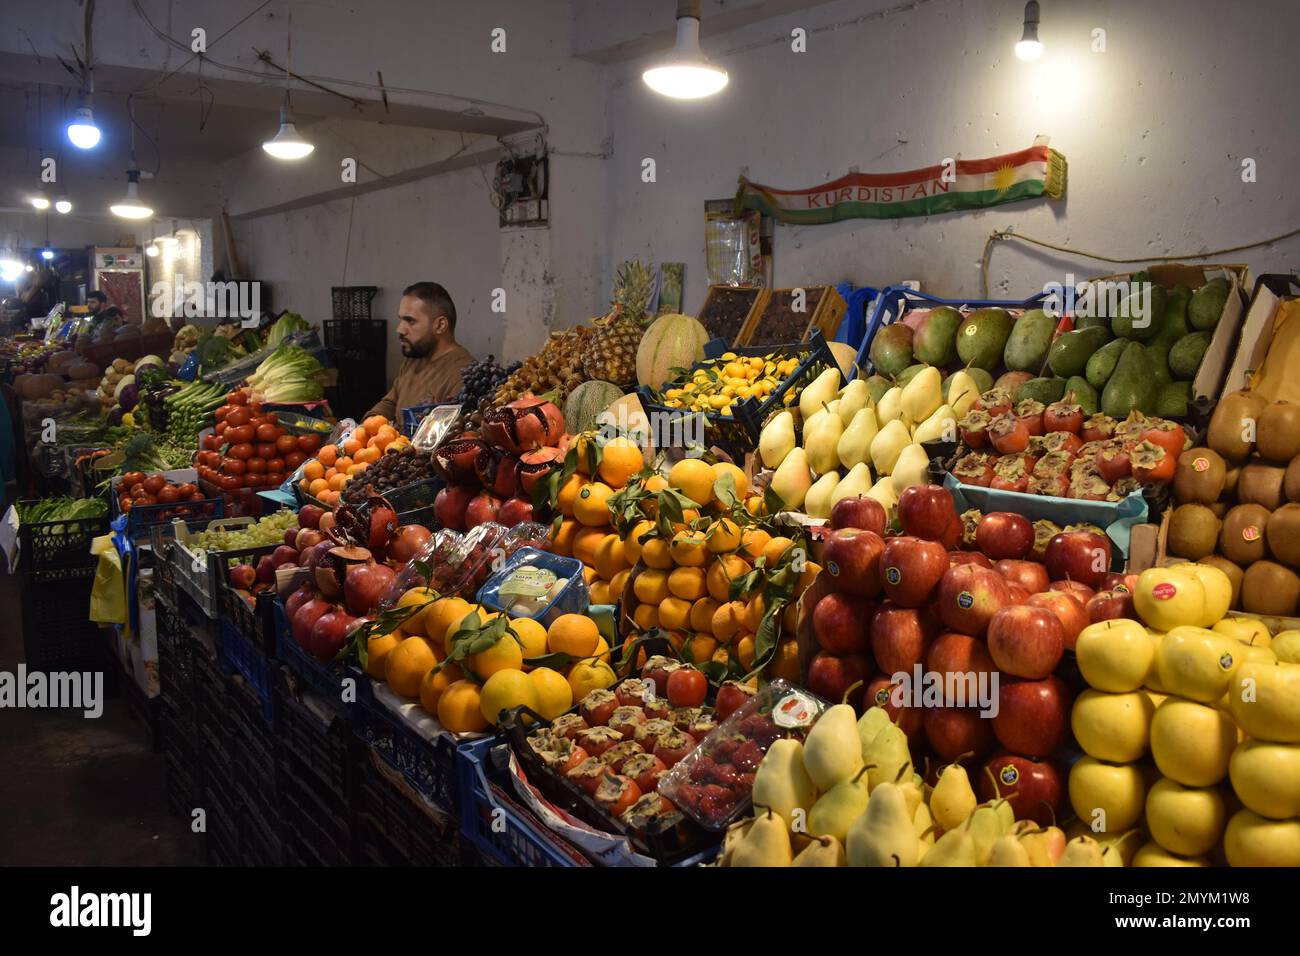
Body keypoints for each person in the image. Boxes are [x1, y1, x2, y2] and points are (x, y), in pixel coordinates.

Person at [365, 281, 474, 420]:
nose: (400, 329)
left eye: (410, 321)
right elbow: (391, 403)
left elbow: (451, 433)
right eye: (401, 319)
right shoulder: (414, 358)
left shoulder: (465, 374)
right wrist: (369, 424)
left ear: (440, 325)